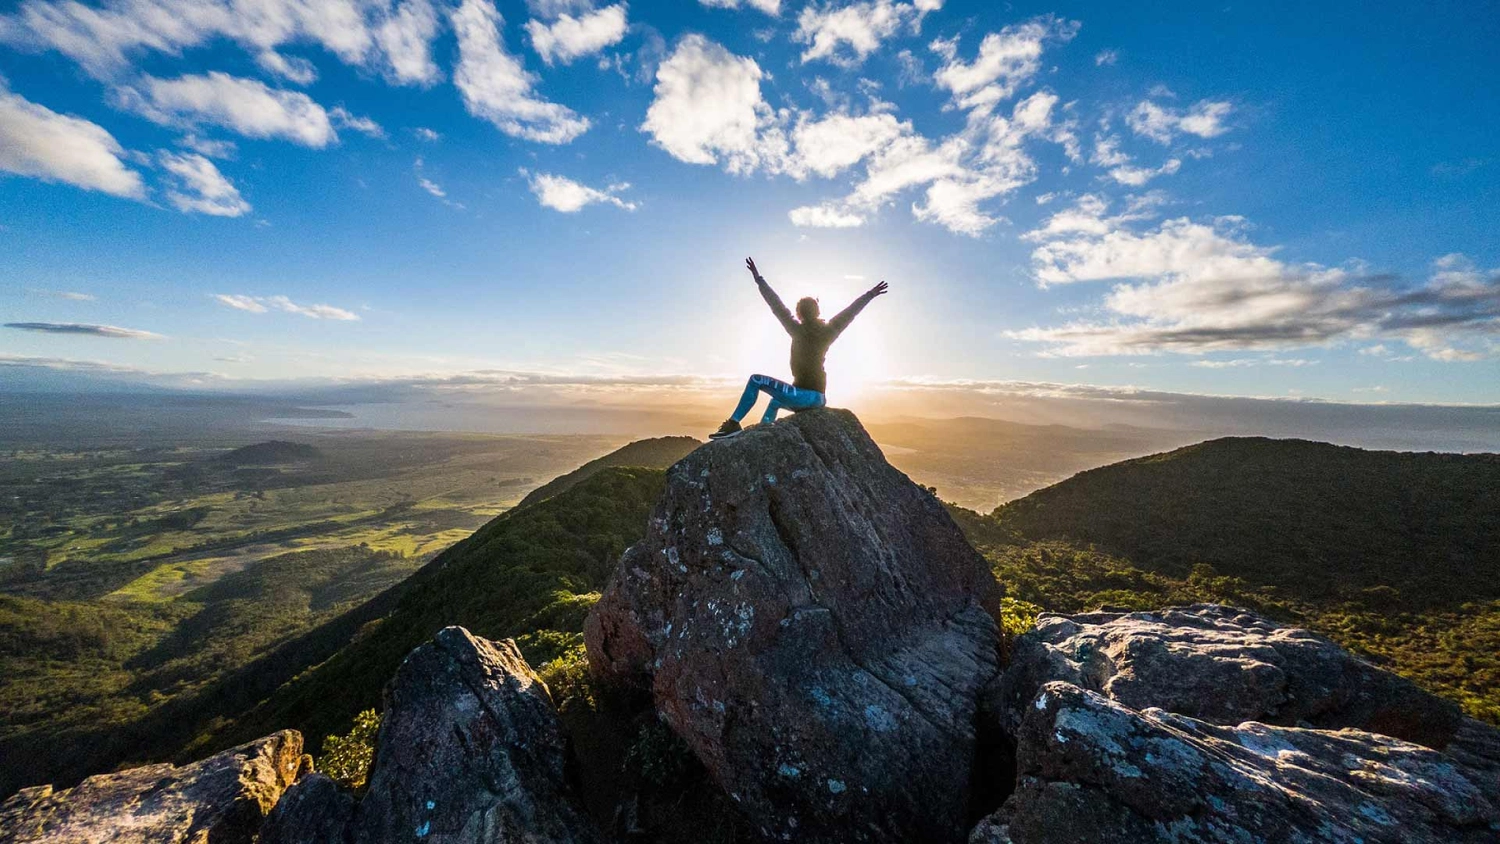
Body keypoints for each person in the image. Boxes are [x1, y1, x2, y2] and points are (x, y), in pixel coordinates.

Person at [709, 257, 888, 440]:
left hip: (801, 396)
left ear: (799, 313)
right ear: (817, 312)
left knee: (755, 380)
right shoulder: (829, 331)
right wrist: (870, 294)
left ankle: (734, 424)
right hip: (818, 398)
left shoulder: (796, 329)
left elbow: (776, 304)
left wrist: (758, 279)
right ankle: (763, 434)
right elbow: (850, 312)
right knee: (775, 402)